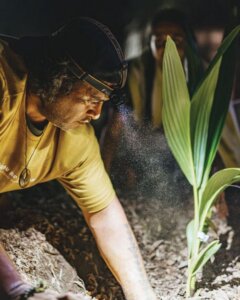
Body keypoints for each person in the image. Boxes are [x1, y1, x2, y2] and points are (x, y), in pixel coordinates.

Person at [0, 18, 156, 300]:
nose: (96, 114)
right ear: (58, 80)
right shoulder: (4, 88)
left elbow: (103, 213)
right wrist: (16, 289)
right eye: (90, 98)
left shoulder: (77, 141)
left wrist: (142, 295)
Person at [101, 9, 202, 196]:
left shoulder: (199, 75)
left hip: (184, 154)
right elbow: (116, 126)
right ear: (151, 43)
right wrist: (103, 175)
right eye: (160, 41)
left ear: (189, 42)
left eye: (176, 40)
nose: (168, 48)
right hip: (145, 145)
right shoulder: (135, 72)